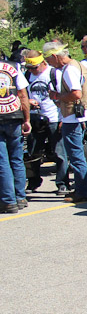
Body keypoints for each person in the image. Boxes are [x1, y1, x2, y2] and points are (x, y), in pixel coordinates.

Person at [44, 41, 87, 204]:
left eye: (48, 59)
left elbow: (76, 94)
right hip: (77, 116)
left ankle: (83, 191)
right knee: (76, 154)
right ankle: (82, 189)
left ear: (54, 56)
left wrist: (57, 97)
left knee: (76, 155)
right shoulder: (74, 65)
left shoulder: (69, 70)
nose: (48, 64)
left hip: (73, 118)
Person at [22, 50, 69, 195]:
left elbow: (64, 97)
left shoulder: (54, 73)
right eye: (29, 68)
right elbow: (23, 95)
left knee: (59, 152)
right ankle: (33, 181)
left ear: (43, 62)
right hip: (36, 118)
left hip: (54, 117)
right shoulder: (28, 75)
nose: (32, 71)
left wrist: (63, 118)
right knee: (33, 152)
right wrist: (28, 102)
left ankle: (62, 183)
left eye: (34, 67)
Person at [0, 48, 31, 213]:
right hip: (14, 116)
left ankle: (8, 200)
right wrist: (26, 119)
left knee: (2, 162)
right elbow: (23, 95)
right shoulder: (14, 67)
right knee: (17, 159)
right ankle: (20, 197)